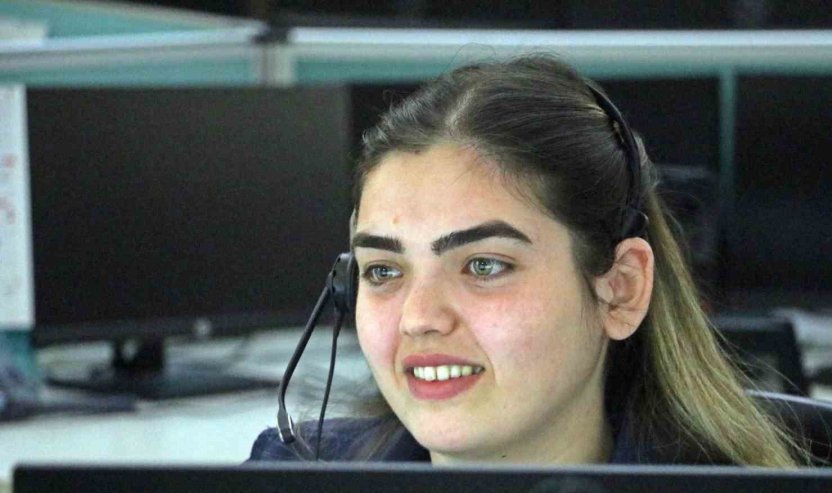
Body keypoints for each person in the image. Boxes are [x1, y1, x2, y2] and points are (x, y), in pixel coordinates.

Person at [250, 54, 803, 467]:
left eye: (484, 266)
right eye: (383, 271)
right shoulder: (290, 492)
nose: (419, 318)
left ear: (621, 289)